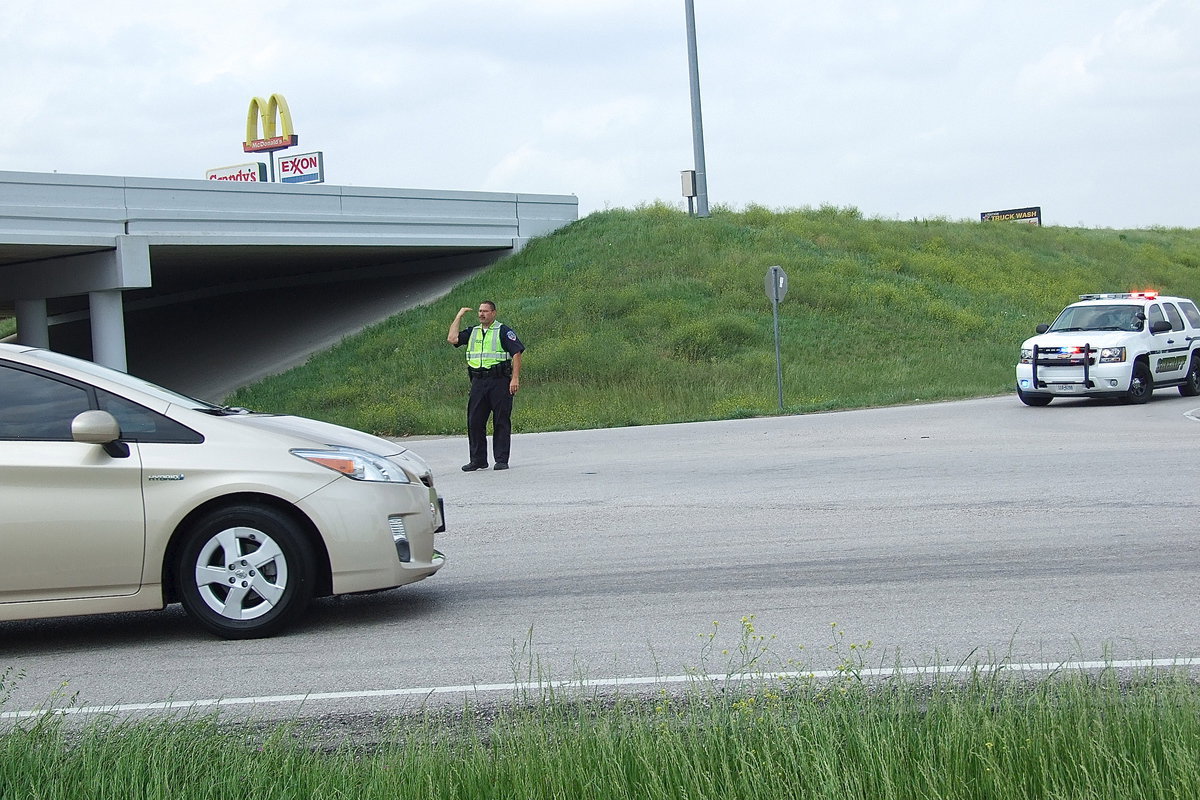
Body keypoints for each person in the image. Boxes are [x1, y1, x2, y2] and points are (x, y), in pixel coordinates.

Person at [448, 301, 524, 471]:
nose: (481, 314)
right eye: (480, 311)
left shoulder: (503, 330)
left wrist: (515, 378)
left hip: (499, 381)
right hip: (478, 382)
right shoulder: (473, 331)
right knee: (474, 421)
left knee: (501, 420)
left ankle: (501, 459)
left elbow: (516, 353)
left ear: (494, 313)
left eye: (485, 311)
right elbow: (452, 338)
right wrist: (458, 316)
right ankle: (478, 460)